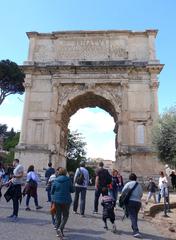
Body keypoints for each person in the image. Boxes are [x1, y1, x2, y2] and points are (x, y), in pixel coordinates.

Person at [51, 167, 74, 238]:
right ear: (65, 173)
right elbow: (72, 190)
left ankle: (58, 232)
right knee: (65, 215)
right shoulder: (68, 180)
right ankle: (60, 228)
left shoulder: (55, 180)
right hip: (66, 200)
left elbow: (52, 191)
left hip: (57, 200)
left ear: (59, 173)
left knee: (58, 216)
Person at [122, 173, 143, 238]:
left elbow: (123, 192)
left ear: (129, 178)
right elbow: (141, 194)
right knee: (135, 216)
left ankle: (136, 231)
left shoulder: (128, 184)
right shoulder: (139, 185)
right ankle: (134, 227)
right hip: (138, 203)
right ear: (136, 178)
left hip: (130, 202)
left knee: (133, 216)